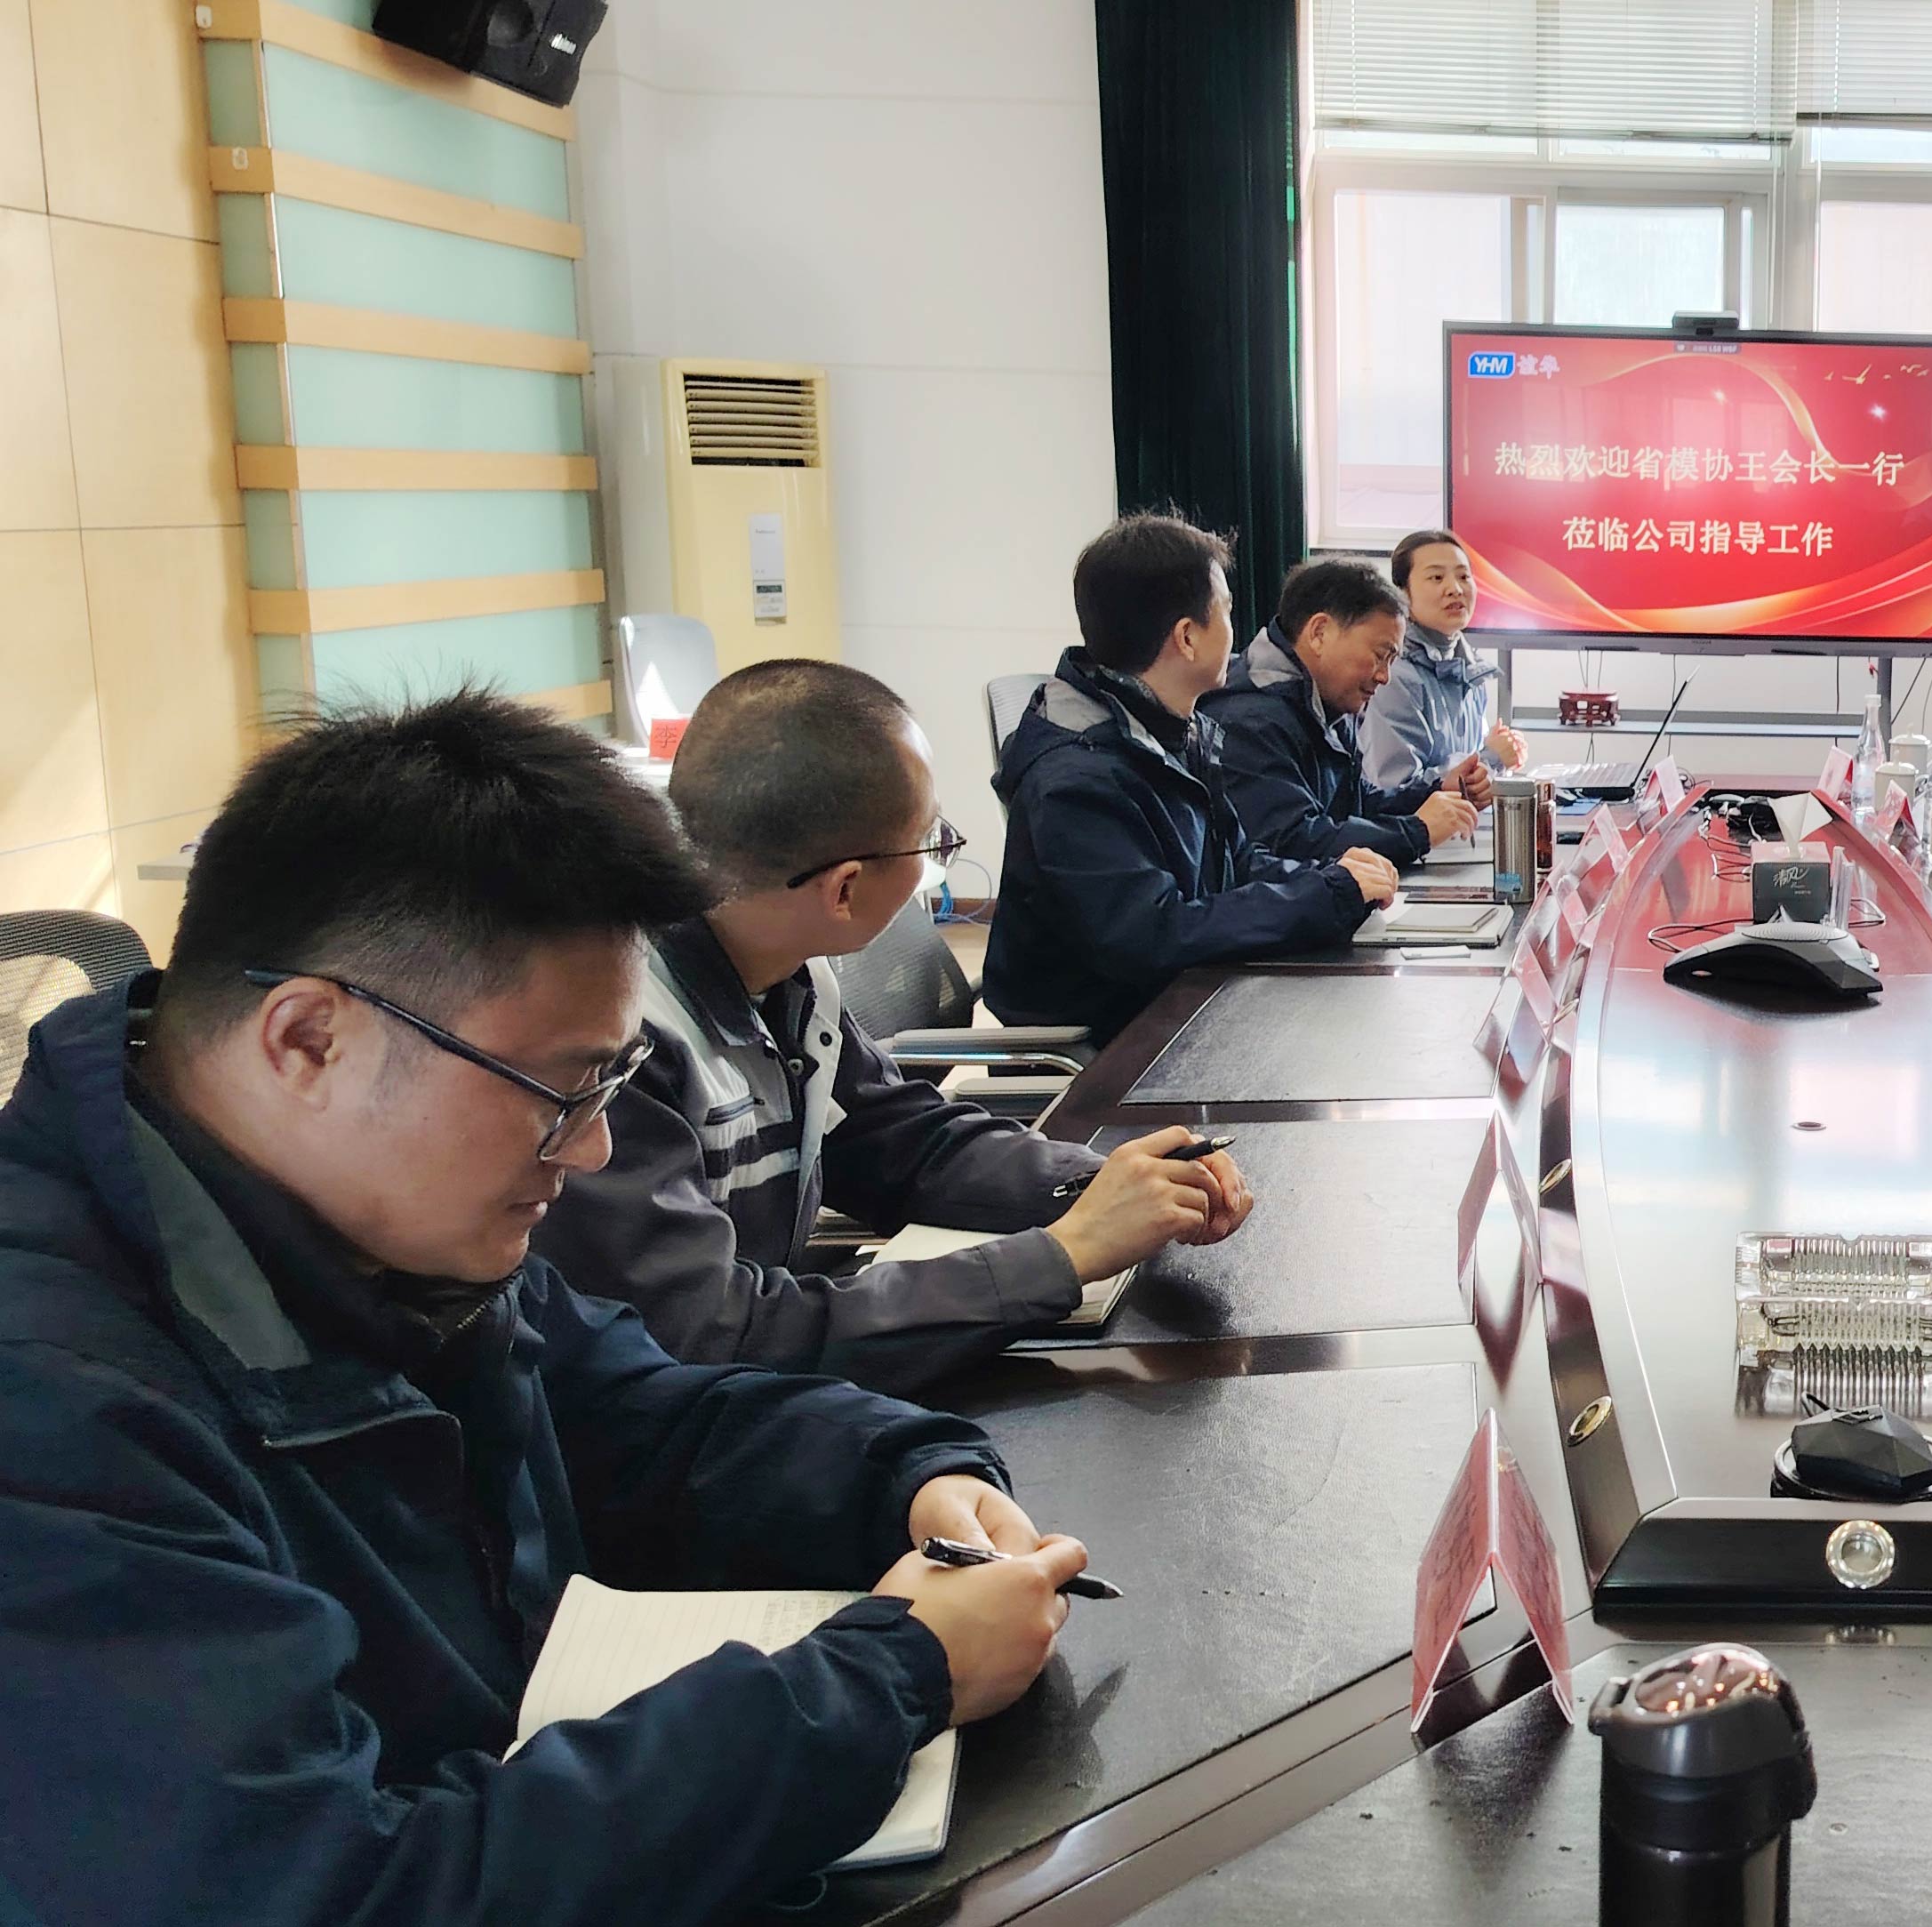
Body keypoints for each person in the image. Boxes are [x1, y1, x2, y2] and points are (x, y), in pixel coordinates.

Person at [0, 695, 1097, 1925]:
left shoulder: (370, 1220)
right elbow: (335, 1892)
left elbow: (638, 1412)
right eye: (562, 1090)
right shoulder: (53, 1415)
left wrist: (904, 1475)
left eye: (613, 1080)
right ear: (308, 1039)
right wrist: (889, 1676)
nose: (593, 1149)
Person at [533, 659, 1257, 1395]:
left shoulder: (787, 973)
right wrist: (1063, 1256)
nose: (937, 855)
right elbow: (718, 1333)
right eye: (931, 841)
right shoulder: (613, 1046)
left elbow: (901, 1141)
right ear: (845, 888)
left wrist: (1107, 1185)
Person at [987, 515, 1396, 1041]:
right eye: (1225, 610)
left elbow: (1236, 863)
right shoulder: (1077, 778)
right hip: (1112, 1046)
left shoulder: (1179, 732)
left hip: (1184, 1005)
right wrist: (1325, 896)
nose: (1235, 629)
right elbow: (1155, 935)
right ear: (1187, 637)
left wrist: (1328, 877)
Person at [1209, 557, 1491, 866]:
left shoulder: (1326, 703)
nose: (1385, 677)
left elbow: (1357, 804)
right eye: (1380, 656)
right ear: (1319, 633)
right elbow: (1293, 840)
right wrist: (1417, 831)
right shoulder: (1250, 721)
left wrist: (1437, 790)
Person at [1361, 527, 1527, 789]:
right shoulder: (1393, 675)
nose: (1455, 589)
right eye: (1437, 578)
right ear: (1403, 594)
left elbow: (1467, 771)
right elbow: (1395, 789)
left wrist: (1497, 750)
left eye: (1464, 576)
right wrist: (1490, 758)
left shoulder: (1470, 669)